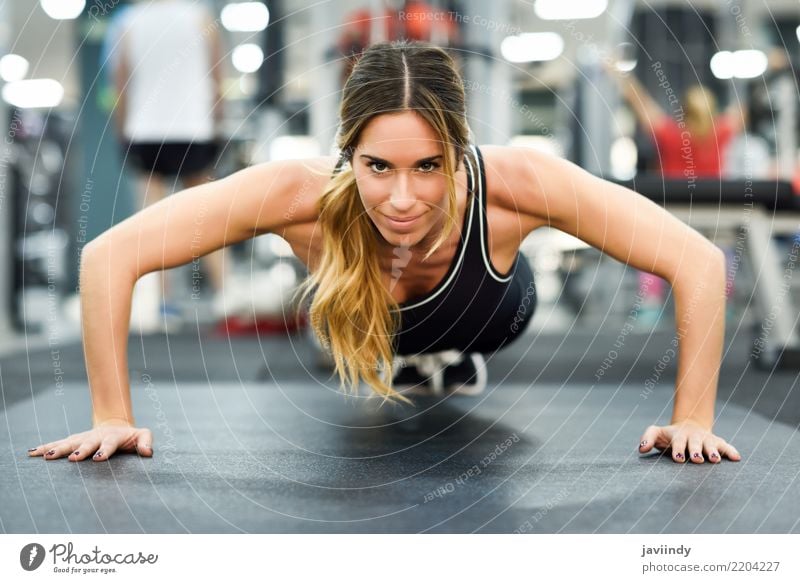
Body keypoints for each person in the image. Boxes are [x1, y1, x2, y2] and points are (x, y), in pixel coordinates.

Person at [28, 40, 740, 465]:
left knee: (438, 331)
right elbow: (107, 259)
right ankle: (399, 357)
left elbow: (698, 262)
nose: (402, 197)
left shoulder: (519, 183)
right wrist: (112, 414)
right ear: (348, 154)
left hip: (490, 315)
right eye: (378, 168)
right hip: (361, 321)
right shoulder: (294, 192)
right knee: (349, 323)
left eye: (428, 166)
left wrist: (693, 418)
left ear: (459, 153)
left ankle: (436, 359)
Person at [111, 0, 228, 323]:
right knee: (209, 216)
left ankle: (165, 305)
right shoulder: (200, 16)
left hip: (145, 130)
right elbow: (216, 75)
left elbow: (121, 84)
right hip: (193, 127)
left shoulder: (127, 21)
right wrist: (218, 122)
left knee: (153, 222)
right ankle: (225, 297)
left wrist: (123, 131)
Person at [608, 66, 746, 326]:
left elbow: (640, 101)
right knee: (721, 248)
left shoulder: (671, 133)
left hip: (672, 210)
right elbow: (746, 109)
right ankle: (721, 303)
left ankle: (649, 305)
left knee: (654, 249)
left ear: (683, 110)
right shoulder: (722, 131)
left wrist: (618, 73)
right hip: (713, 210)